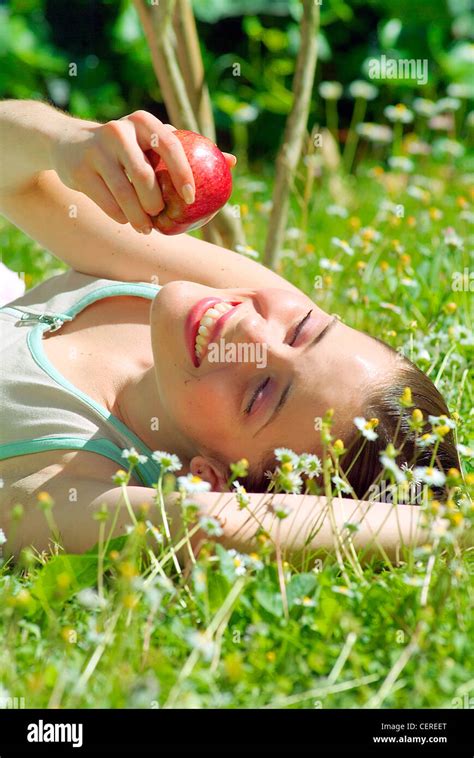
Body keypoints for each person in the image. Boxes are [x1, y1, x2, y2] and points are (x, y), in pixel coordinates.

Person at [0, 100, 459, 561]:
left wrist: (454, 528)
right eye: (304, 328)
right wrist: (67, 142)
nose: (251, 335)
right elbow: (14, 179)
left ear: (208, 482)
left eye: (259, 393)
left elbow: (217, 525)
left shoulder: (73, 484)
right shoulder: (235, 301)